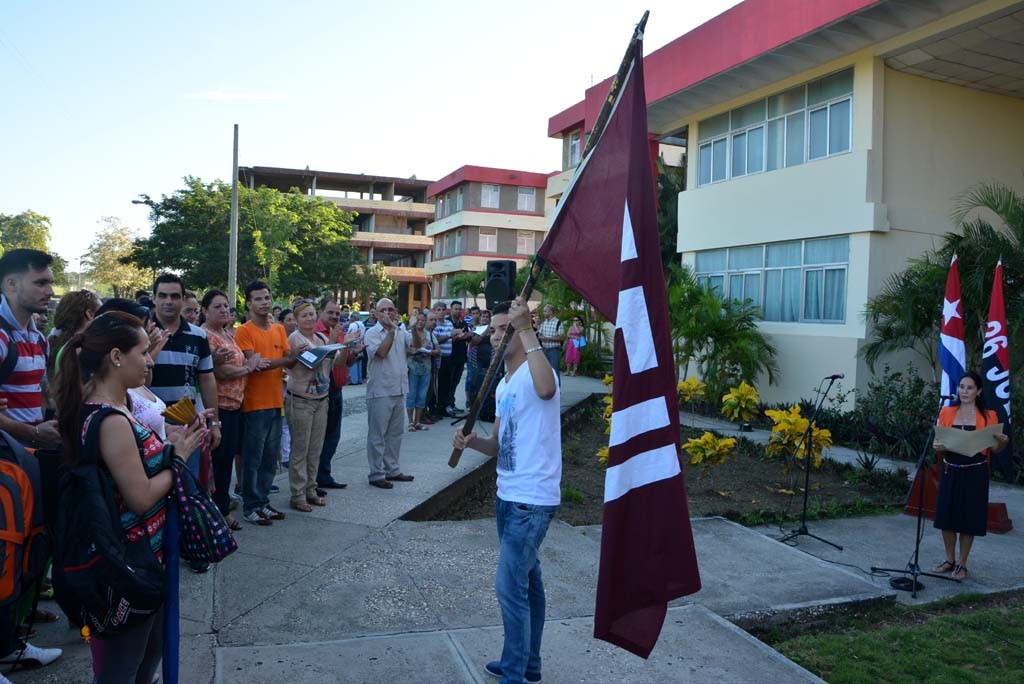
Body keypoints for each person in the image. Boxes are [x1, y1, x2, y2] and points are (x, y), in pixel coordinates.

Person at [55, 310, 206, 683]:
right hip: (126, 565)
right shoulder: (111, 419)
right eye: (143, 352)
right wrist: (180, 459)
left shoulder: (112, 407)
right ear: (117, 357)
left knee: (144, 661)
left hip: (139, 558)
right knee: (123, 670)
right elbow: (139, 497)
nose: (150, 359)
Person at [452, 298, 560, 684]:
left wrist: (527, 327)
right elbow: (498, 444)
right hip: (507, 493)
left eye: (502, 329)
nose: (495, 336)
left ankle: (514, 672)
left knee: (508, 587)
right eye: (493, 330)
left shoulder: (537, 371)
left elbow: (547, 390)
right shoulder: (504, 383)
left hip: (532, 499)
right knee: (528, 582)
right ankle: (527, 663)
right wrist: (472, 442)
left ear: (519, 329)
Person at [0, 249, 62, 671]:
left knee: (29, 551)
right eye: (40, 282)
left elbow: (42, 389)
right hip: (7, 462)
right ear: (11, 284)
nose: (50, 290)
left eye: (50, 281)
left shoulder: (35, 333)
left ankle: (10, 643)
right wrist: (32, 432)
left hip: (30, 458)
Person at [932, 370, 1008, 581]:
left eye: (969, 387)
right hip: (950, 469)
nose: (964, 391)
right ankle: (949, 560)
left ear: (979, 391)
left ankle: (962, 564)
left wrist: (1002, 442)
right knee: (946, 517)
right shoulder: (947, 412)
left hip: (975, 471)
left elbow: (995, 449)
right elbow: (938, 446)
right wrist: (937, 446)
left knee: (969, 518)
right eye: (962, 387)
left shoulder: (989, 416)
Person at [202, 290, 260, 530]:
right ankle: (216, 513)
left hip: (236, 406)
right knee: (218, 463)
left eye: (226, 306)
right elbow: (220, 372)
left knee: (226, 462)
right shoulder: (206, 335)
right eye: (218, 306)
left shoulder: (227, 333)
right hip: (220, 407)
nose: (224, 310)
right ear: (205, 310)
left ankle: (221, 508)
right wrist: (248, 367)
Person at [236, 281, 291, 525]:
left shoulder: (279, 329)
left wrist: (294, 357)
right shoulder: (244, 331)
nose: (264, 302)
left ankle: (263, 501)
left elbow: (287, 358)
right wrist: (288, 360)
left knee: (270, 458)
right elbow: (256, 364)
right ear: (249, 303)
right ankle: (251, 505)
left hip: (276, 401)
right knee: (253, 458)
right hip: (254, 403)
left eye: (267, 297)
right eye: (258, 299)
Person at [285, 301, 346, 512]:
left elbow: (337, 362)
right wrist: (332, 342)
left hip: (321, 399)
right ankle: (297, 494)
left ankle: (311, 489)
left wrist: (344, 344)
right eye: (305, 315)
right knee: (300, 449)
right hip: (301, 400)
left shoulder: (320, 337)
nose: (309, 318)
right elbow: (311, 362)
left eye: (312, 314)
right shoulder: (295, 338)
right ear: (296, 319)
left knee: (315, 449)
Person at [363, 297, 414, 489]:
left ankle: (392, 469)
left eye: (391, 309)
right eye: (383, 310)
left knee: (395, 434)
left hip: (399, 388)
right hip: (380, 390)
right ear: (375, 313)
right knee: (378, 435)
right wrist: (392, 331)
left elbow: (415, 346)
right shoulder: (371, 333)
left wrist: (416, 328)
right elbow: (382, 353)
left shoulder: (400, 330)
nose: (387, 313)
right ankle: (376, 473)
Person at [314, 298, 362, 493]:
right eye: (330, 313)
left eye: (337, 313)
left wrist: (354, 354)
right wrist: (336, 341)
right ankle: (313, 480)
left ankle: (323, 475)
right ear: (320, 312)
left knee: (333, 436)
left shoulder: (340, 331)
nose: (335, 316)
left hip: (337, 389)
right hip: (323, 390)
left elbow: (342, 363)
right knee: (319, 438)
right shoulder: (316, 333)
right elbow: (322, 361)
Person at [406, 312, 435, 431]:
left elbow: (437, 349)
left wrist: (429, 351)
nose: (421, 322)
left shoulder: (429, 334)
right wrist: (413, 351)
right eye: (418, 320)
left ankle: (418, 421)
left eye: (423, 320)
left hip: (426, 369)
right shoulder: (408, 334)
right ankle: (410, 422)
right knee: (411, 395)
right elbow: (405, 349)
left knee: (422, 396)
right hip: (412, 368)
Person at [446, 301, 471, 415]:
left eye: (459, 309)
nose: (458, 311)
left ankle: (452, 403)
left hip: (461, 357)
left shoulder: (464, 323)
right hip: (450, 357)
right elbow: (450, 338)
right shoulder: (447, 322)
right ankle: (446, 405)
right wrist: (458, 337)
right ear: (451, 310)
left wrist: (467, 336)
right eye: (455, 309)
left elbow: (466, 337)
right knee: (448, 382)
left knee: (456, 382)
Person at [429, 302, 453, 419]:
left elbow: (453, 337)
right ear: (434, 310)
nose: (441, 311)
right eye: (439, 309)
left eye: (443, 309)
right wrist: (450, 335)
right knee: (437, 385)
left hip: (449, 357)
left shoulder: (449, 323)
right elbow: (437, 340)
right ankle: (435, 409)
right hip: (439, 358)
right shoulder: (434, 324)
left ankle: (443, 408)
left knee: (446, 385)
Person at [537, 304, 563, 384]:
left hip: (554, 351)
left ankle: (557, 392)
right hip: (544, 350)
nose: (543, 313)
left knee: (554, 371)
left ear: (551, 312)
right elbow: (539, 334)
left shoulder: (558, 322)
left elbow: (561, 337)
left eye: (545, 311)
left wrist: (547, 339)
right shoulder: (544, 322)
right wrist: (541, 337)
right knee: (544, 371)